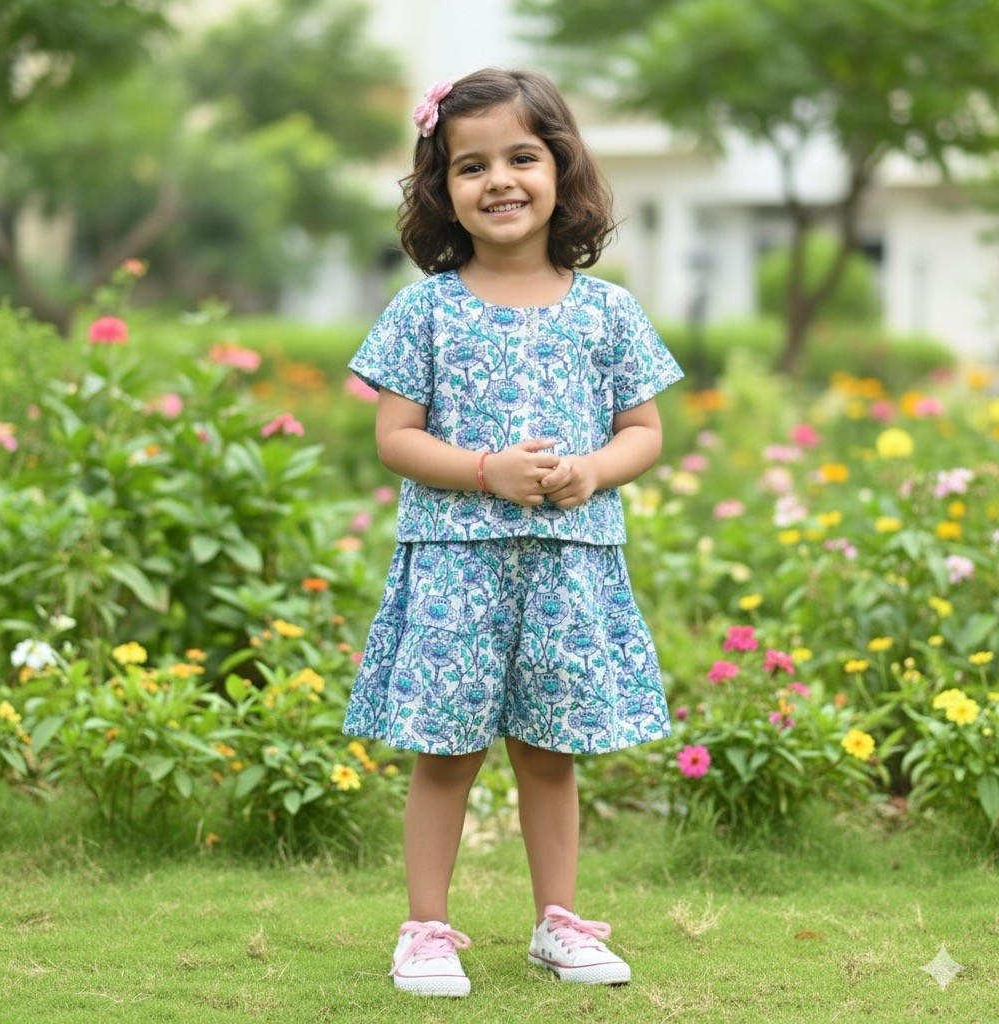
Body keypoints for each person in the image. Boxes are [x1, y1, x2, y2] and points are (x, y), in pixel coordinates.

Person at [343, 68, 684, 998]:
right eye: (470, 165)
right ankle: (426, 930)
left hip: (569, 562)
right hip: (456, 562)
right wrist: (487, 471)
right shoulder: (425, 310)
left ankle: (559, 925)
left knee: (549, 749)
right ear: (440, 190)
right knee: (446, 750)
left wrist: (593, 471)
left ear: (561, 171)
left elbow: (644, 433)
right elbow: (395, 437)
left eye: (522, 158)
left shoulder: (608, 312)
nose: (499, 180)